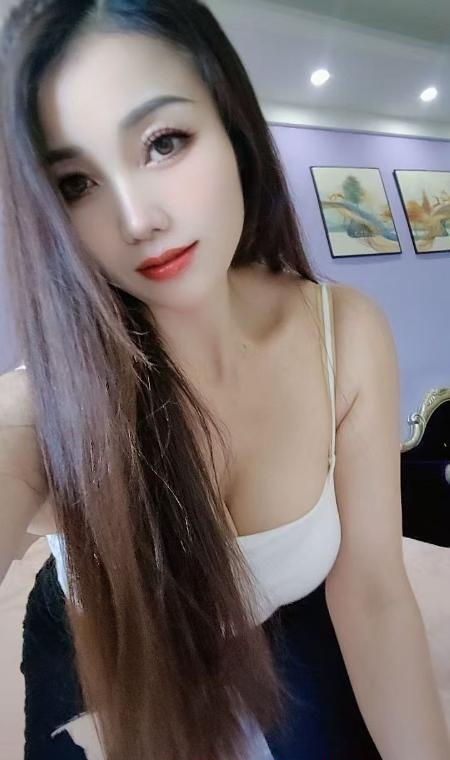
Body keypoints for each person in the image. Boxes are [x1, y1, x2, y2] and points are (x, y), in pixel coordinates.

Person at [0, 1, 448, 759]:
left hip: (285, 616)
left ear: (232, 127)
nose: (137, 219)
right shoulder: (44, 405)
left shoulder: (344, 333)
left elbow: (373, 593)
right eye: (75, 184)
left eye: (163, 142)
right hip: (97, 639)